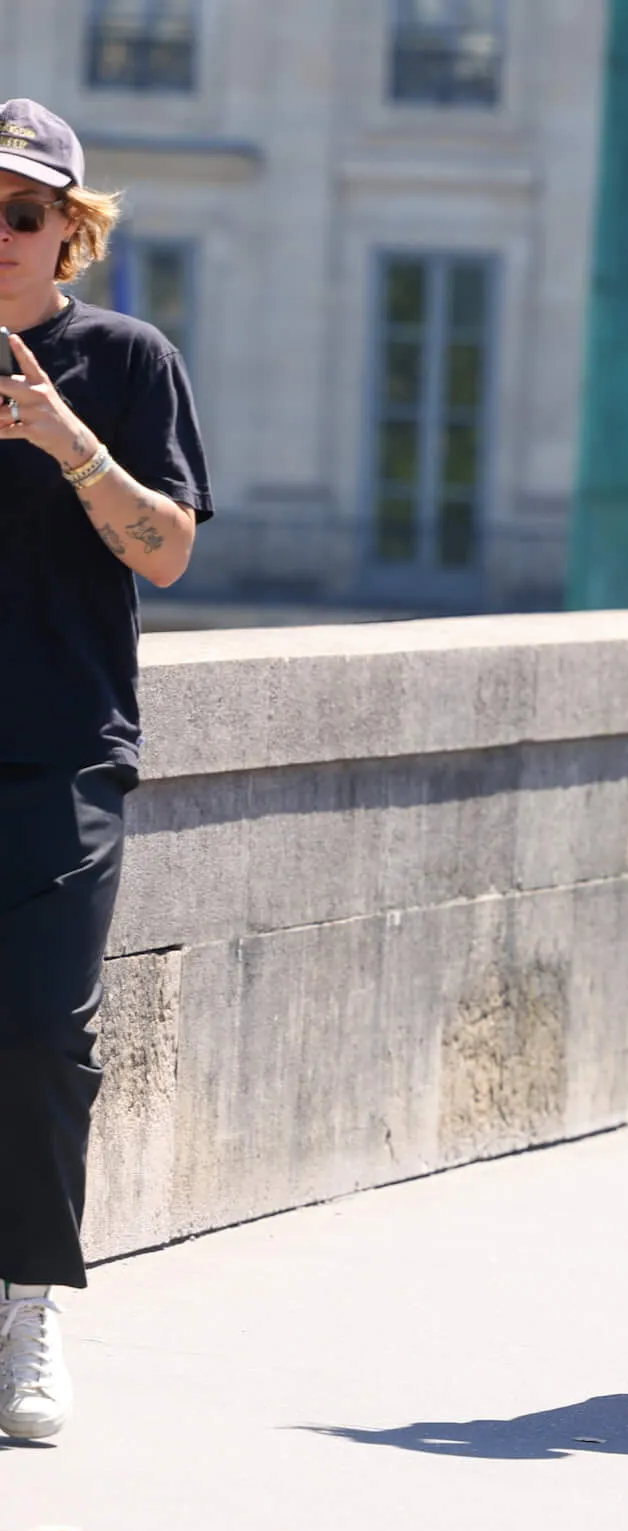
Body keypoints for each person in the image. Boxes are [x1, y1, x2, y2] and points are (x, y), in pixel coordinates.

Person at [0, 99, 211, 1443]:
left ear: (70, 232)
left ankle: (29, 1307)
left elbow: (171, 551)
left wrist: (61, 436)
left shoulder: (125, 361)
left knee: (40, 1031)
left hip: (62, 749)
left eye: (23, 214)